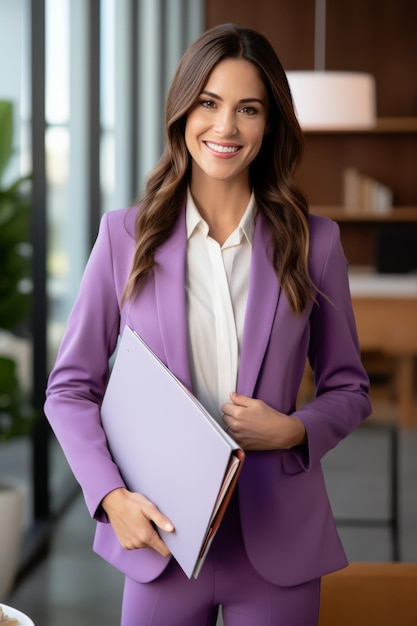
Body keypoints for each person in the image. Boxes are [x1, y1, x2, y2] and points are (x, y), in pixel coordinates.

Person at [44, 23, 371, 626]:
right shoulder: (125, 236)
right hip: (162, 543)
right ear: (182, 111)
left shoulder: (314, 244)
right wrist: (111, 498)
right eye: (208, 103)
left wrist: (293, 431)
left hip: (278, 544)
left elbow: (350, 389)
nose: (225, 128)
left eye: (248, 109)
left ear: (269, 123)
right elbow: (69, 389)